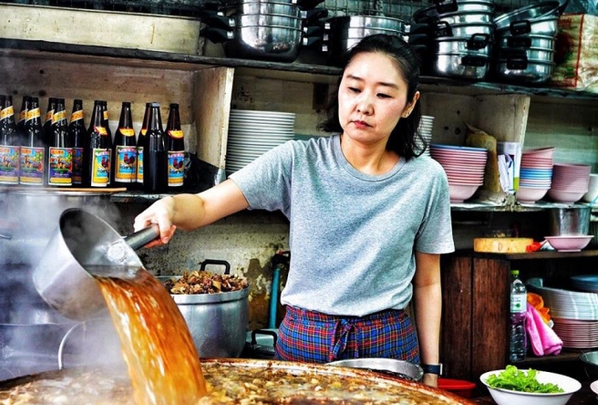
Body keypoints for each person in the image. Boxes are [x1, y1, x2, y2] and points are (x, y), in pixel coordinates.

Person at [134, 34, 454, 386]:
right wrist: (168, 205)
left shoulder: (426, 178)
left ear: (409, 104)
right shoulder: (297, 161)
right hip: (305, 336)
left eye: (383, 94)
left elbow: (427, 282)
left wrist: (432, 370)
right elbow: (206, 203)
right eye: (354, 88)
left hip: (386, 341)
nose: (364, 105)